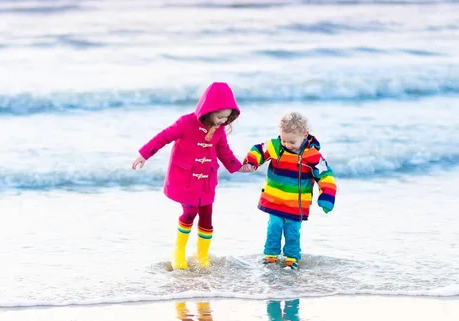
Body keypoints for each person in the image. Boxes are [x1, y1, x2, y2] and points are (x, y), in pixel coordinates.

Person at [132, 82, 254, 270]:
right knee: (190, 212)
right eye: (220, 117)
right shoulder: (185, 123)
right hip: (185, 179)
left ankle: (202, 255)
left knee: (207, 216)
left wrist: (238, 167)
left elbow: (224, 151)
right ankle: (179, 251)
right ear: (209, 109)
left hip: (206, 180)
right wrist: (144, 154)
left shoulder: (219, 129)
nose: (223, 121)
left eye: (227, 118)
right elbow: (163, 137)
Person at [243, 111, 337, 269]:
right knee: (274, 226)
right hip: (275, 200)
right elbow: (259, 150)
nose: (287, 145)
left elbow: (325, 176)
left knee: (292, 230)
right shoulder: (276, 146)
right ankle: (270, 255)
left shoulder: (312, 156)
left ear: (305, 135)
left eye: (292, 142)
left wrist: (326, 196)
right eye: (284, 140)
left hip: (296, 205)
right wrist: (252, 162)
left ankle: (292, 257)